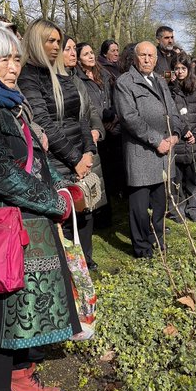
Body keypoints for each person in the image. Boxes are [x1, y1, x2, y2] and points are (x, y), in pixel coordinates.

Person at [0, 26, 86, 391]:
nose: (12, 66)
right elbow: (1, 172)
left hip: (29, 223)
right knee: (2, 322)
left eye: (17, 58)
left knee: (28, 310)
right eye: (1, 58)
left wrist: (60, 191)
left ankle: (22, 377)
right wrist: (54, 202)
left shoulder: (11, 102)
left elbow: (35, 159)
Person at [19, 21, 99, 268]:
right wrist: (75, 159)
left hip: (79, 157)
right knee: (65, 223)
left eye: (58, 41)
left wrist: (88, 151)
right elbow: (43, 123)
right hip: (56, 161)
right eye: (50, 41)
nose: (56, 46)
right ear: (35, 41)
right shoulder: (28, 76)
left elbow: (80, 116)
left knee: (85, 217)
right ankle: (71, 278)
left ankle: (85, 271)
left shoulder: (61, 74)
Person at [114, 41, 183, 258]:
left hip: (164, 152)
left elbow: (173, 110)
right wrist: (157, 140)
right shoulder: (125, 82)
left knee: (160, 203)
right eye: (143, 55)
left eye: (151, 56)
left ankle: (157, 239)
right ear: (134, 58)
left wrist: (176, 134)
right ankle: (142, 247)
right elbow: (129, 118)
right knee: (139, 207)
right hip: (141, 153)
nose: (147, 59)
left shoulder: (160, 81)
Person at [75, 41, 116, 247]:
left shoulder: (104, 75)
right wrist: (101, 120)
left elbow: (111, 98)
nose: (91, 57)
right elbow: (89, 108)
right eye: (86, 54)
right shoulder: (78, 79)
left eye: (92, 53)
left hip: (110, 128)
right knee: (99, 174)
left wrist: (112, 117)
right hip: (95, 131)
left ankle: (107, 212)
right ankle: (99, 215)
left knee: (110, 173)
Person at [169, 53, 196, 221]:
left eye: (183, 68)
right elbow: (170, 114)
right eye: (177, 68)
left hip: (192, 141)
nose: (180, 71)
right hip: (176, 138)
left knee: (192, 177)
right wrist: (182, 130)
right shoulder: (168, 89)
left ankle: (194, 208)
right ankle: (177, 209)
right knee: (176, 178)